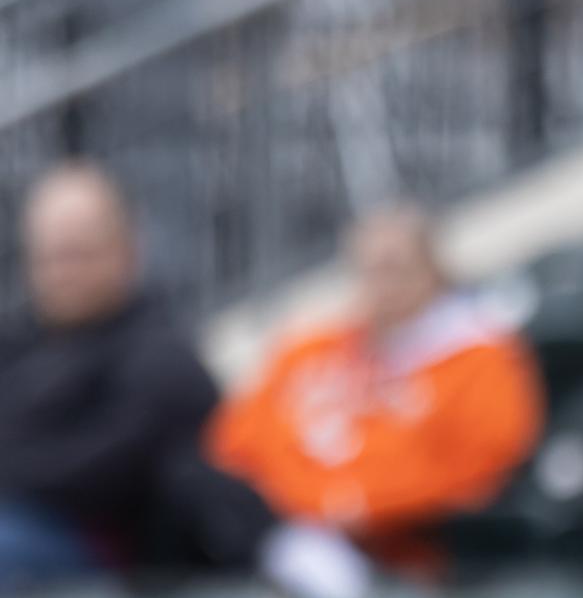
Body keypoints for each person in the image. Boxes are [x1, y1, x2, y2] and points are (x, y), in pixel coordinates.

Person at [0, 161, 369, 598]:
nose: (62, 272)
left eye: (78, 253)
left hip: (114, 569)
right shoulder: (18, 340)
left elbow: (103, 470)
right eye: (49, 256)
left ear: (125, 249)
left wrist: (17, 467)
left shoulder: (160, 353)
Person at [207, 206, 544, 576]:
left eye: (394, 269)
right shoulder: (313, 350)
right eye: (367, 270)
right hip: (282, 534)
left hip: (407, 556)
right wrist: (306, 501)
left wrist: (356, 504)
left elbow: (482, 468)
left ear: (433, 271)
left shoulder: (478, 356)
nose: (381, 286)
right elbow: (235, 443)